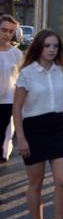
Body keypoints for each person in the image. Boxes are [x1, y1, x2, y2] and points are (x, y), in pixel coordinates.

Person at [12, 29, 63, 219]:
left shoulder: (60, 71)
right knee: (36, 184)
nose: (51, 50)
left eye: (55, 46)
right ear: (39, 47)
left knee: (62, 180)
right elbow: (17, 108)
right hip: (33, 130)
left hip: (56, 128)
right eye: (47, 45)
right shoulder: (27, 73)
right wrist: (21, 138)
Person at [0, 14, 23, 162]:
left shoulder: (16, 54)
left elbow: (22, 79)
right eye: (4, 30)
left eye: (11, 31)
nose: (7, 34)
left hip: (7, 101)